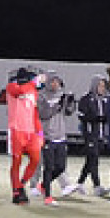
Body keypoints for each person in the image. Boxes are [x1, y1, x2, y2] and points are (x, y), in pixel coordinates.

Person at [37, 71, 80, 205]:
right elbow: (43, 114)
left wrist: (71, 103)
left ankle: (44, 185)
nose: (55, 84)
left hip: (61, 135)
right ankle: (48, 197)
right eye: (52, 81)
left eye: (57, 81)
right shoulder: (42, 96)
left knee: (60, 167)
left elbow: (68, 112)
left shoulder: (61, 94)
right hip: (48, 135)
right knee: (49, 167)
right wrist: (58, 105)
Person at [5, 66, 45, 205]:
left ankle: (21, 184)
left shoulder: (32, 90)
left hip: (31, 131)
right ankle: (16, 191)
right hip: (17, 130)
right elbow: (20, 91)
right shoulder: (11, 87)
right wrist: (34, 83)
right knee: (16, 162)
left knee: (35, 159)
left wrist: (40, 133)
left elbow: (35, 112)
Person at [75, 74, 109, 197]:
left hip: (101, 135)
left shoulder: (105, 100)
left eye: (104, 86)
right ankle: (97, 186)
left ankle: (79, 183)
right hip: (90, 134)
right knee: (94, 159)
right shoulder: (86, 99)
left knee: (90, 160)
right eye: (100, 85)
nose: (102, 88)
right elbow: (81, 115)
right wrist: (96, 118)